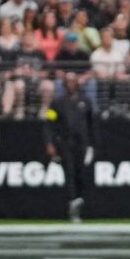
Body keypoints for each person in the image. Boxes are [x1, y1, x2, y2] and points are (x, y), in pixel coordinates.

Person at [45, 70, 96, 221]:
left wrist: (92, 145)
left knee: (82, 174)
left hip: (82, 145)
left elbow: (92, 124)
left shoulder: (85, 101)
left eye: (73, 81)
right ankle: (72, 202)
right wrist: (49, 143)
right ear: (64, 84)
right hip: (65, 143)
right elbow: (49, 124)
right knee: (70, 173)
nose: (71, 84)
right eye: (68, 81)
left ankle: (80, 201)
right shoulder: (56, 103)